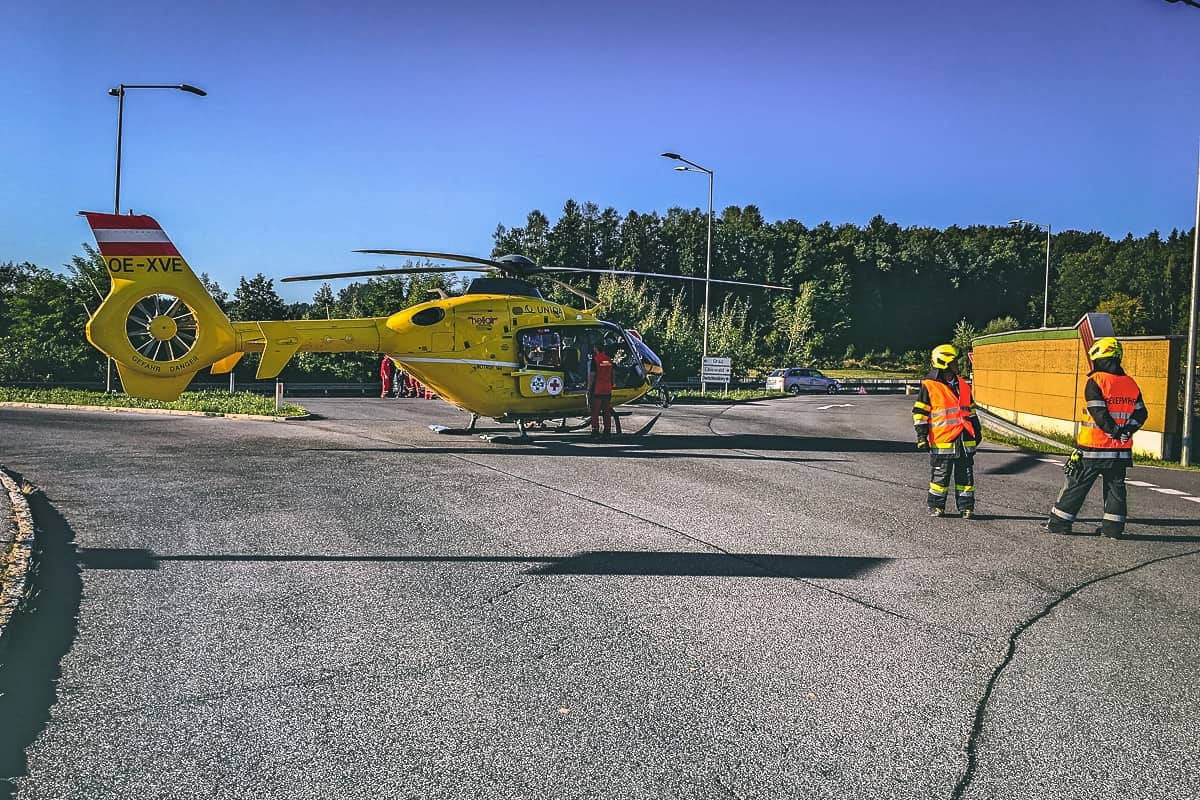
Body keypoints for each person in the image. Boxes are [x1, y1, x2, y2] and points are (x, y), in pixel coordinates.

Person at [1043, 337, 1148, 539]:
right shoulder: (1130, 383)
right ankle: (1113, 529)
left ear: (1099, 358)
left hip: (1094, 447)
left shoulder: (1096, 381)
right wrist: (1126, 431)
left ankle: (1059, 523)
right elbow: (1141, 413)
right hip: (1119, 451)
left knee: (1077, 484)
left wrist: (1114, 432)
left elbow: (1098, 412)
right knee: (1115, 488)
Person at [913, 344, 981, 519]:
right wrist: (922, 436)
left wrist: (977, 432)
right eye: (954, 362)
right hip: (943, 440)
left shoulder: (964, 386)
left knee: (965, 478)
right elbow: (920, 413)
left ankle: (966, 508)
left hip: (965, 441)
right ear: (944, 363)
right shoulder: (929, 386)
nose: (958, 364)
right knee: (940, 477)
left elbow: (971, 412)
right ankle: (936, 506)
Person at [588, 343, 614, 437]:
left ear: (595, 348)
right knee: (606, 411)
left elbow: (592, 375)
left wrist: (588, 388)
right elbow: (612, 374)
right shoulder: (609, 360)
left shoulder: (595, 360)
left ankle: (595, 430)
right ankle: (607, 430)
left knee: (595, 411)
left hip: (598, 388)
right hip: (607, 388)